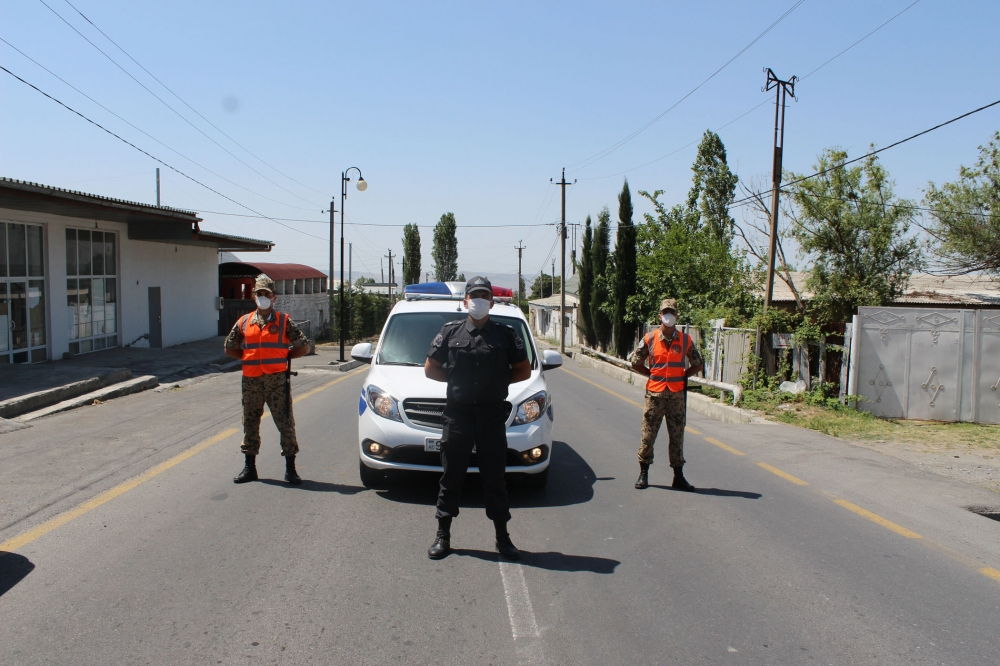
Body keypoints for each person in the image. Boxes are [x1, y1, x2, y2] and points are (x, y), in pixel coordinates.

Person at [423, 276, 532, 560]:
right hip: (458, 416)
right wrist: (456, 379)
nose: (479, 299)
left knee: (495, 478)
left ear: (492, 302)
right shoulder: (450, 331)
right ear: (466, 301)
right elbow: (431, 368)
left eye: (485, 295)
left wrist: (498, 381)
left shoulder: (506, 334)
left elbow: (523, 370)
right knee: (451, 477)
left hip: (491, 417)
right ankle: (443, 535)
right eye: (475, 295)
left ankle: (502, 538)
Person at [224, 274, 311, 485]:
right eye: (259, 294)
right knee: (250, 424)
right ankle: (249, 467)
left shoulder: (283, 321)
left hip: (277, 382)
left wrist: (285, 356)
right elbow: (229, 348)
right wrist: (247, 357)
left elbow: (304, 345)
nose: (262, 297)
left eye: (266, 294)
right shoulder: (244, 322)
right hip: (251, 381)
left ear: (274, 297)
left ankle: (291, 469)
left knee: (285, 423)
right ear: (254, 297)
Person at [630, 298, 704, 491]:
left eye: (671, 312)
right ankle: (643, 474)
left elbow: (698, 363)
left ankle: (678, 477)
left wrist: (683, 376)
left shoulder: (686, 340)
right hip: (655, 395)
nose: (668, 316)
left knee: (677, 436)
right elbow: (635, 362)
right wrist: (651, 374)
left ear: (676, 316)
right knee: (648, 435)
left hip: (676, 396)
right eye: (665, 312)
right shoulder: (650, 338)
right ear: (660, 316)